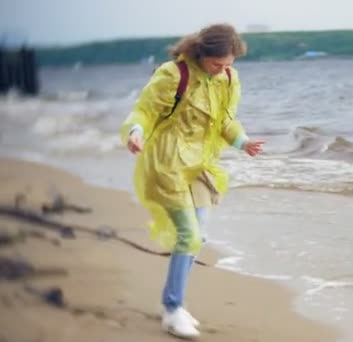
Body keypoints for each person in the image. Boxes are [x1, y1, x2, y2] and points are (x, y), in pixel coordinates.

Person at [120, 23, 264, 339]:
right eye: (217, 64)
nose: (222, 70)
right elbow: (143, 111)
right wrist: (136, 132)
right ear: (201, 53)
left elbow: (225, 119)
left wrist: (243, 142)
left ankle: (176, 304)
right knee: (188, 234)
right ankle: (173, 309)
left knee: (199, 236)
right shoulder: (174, 75)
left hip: (200, 165)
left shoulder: (228, 78)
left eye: (228, 65)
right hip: (167, 162)